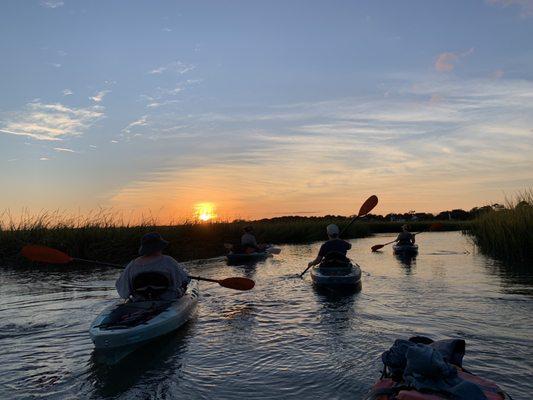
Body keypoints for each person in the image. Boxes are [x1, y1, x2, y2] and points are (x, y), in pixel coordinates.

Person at [115, 232, 190, 302]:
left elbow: (123, 291)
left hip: (140, 302)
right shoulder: (168, 261)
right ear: (159, 246)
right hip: (167, 300)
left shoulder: (132, 265)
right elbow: (183, 280)